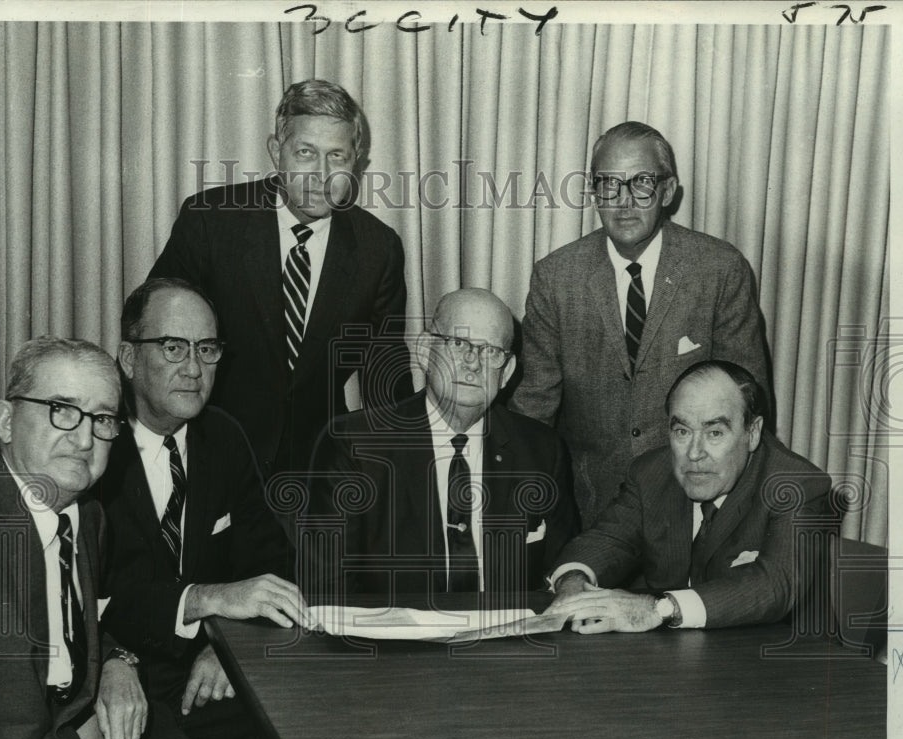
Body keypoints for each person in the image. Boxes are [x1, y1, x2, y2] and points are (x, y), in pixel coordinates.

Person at [148, 78, 414, 482]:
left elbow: (386, 382)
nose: (321, 175)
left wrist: (400, 475)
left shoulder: (379, 250)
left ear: (356, 161)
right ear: (276, 152)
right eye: (305, 152)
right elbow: (154, 335)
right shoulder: (210, 222)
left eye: (337, 156)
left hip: (317, 470)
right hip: (207, 457)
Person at [510, 121, 770, 527]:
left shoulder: (719, 270)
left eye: (642, 183)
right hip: (588, 505)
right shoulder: (557, 277)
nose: (624, 201)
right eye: (608, 184)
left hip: (695, 506)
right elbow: (533, 407)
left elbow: (749, 403)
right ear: (594, 192)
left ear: (667, 191)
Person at [99, 278, 310, 739]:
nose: (193, 368)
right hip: (121, 672)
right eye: (173, 347)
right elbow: (88, 595)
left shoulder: (222, 436)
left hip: (208, 669)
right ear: (129, 360)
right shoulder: (95, 446)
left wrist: (228, 650)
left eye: (207, 348)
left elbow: (270, 564)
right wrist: (202, 602)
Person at [0, 338, 166, 739]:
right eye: (62, 408)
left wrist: (118, 659)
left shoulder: (89, 517)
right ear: (5, 420)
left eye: (101, 419)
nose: (83, 439)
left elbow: (70, 619)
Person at [303, 288, 577, 604]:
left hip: (506, 645)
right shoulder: (355, 445)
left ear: (507, 373)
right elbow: (328, 588)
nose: (472, 363)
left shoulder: (541, 451)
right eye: (458, 344)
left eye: (490, 351)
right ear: (424, 351)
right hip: (392, 645)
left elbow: (560, 574)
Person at [545, 360, 835, 632]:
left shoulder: (796, 485)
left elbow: (775, 586)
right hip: (681, 658)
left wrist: (660, 609)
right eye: (682, 431)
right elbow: (605, 540)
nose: (694, 454)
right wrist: (574, 584)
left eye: (715, 433)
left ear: (753, 432)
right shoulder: (650, 474)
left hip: (782, 656)